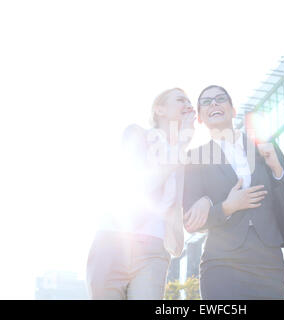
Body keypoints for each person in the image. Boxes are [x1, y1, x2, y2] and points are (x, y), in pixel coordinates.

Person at [182, 85, 284, 300]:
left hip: (268, 260)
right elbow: (191, 222)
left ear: (233, 110)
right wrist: (227, 207)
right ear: (200, 119)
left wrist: (276, 168)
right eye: (206, 101)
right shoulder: (195, 157)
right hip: (221, 261)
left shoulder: (264, 146)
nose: (213, 103)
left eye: (220, 98)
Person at [86, 88, 208, 299]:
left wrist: (205, 201)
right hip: (113, 241)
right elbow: (140, 186)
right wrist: (182, 143)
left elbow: (183, 207)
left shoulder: (184, 159)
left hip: (153, 249)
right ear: (159, 110)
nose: (188, 105)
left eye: (189, 102)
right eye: (180, 100)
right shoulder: (137, 134)